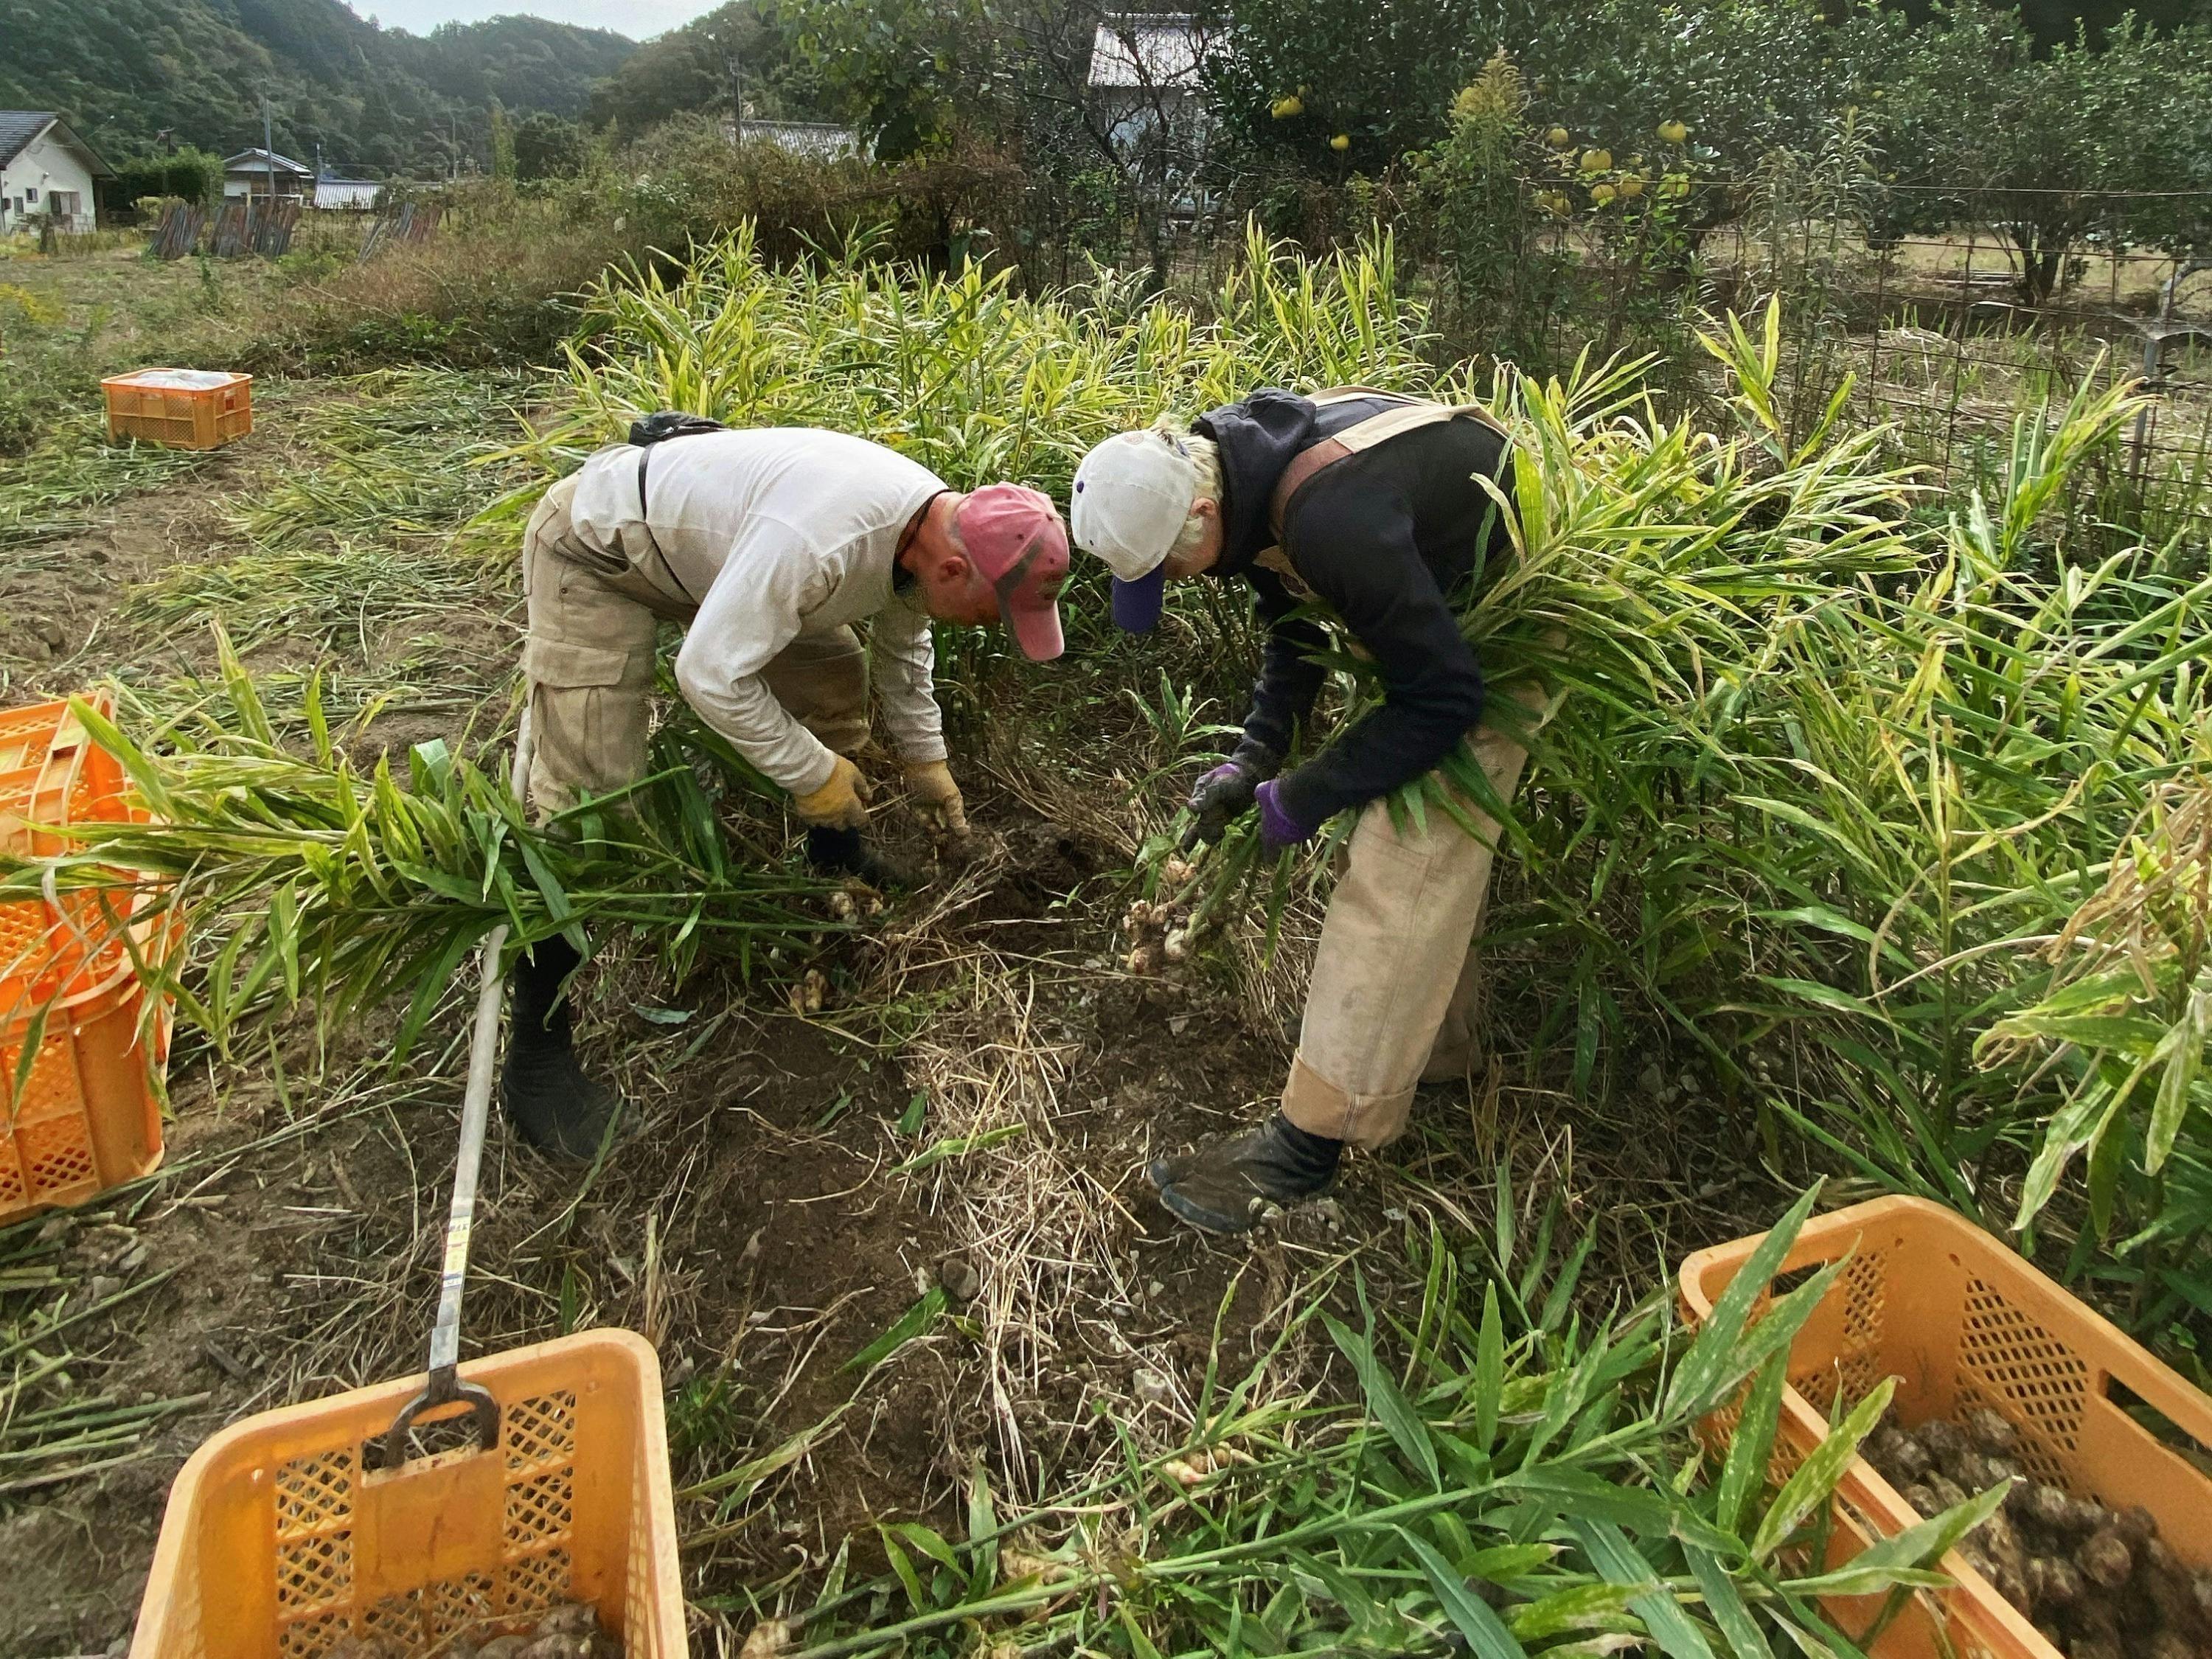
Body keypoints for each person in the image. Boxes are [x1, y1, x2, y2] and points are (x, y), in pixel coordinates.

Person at [507, 421, 1070, 1157]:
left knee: (833, 673)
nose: (991, 627)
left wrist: (929, 765)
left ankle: (835, 863)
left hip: (713, 558)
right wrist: (815, 776)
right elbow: (708, 674)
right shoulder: (822, 544)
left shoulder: (930, 531)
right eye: (997, 613)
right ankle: (538, 1060)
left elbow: (905, 647)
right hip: (600, 550)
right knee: (591, 807)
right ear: (956, 573)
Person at [1070, 386, 1549, 1234]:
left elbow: (1441, 696)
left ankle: (1309, 1146)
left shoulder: (1330, 517)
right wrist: (1256, 752)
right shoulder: (1238, 461)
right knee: (1412, 839)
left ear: (1203, 510)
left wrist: (1306, 794)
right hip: (1426, 593)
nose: (1180, 585)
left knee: (1407, 843)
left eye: (1174, 570)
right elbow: (1291, 617)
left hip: (1505, 612)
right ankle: (1439, 1052)